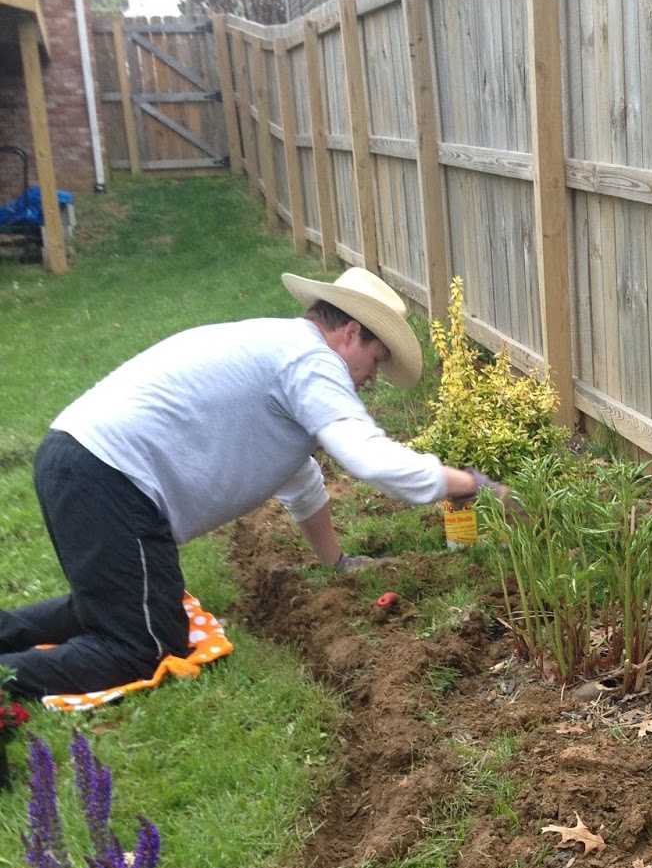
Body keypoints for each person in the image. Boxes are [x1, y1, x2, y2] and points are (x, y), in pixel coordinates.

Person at [0, 267, 503, 699]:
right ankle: (8, 681)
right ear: (351, 332)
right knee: (144, 647)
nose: (372, 379)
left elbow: (297, 477)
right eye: (376, 361)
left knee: (118, 608)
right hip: (107, 476)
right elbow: (368, 458)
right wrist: (471, 484)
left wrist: (339, 562)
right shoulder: (310, 361)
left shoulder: (283, 349)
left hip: (81, 460)